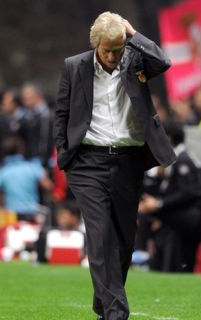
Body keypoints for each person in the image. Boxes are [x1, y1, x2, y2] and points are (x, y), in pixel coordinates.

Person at [54, 12, 176, 320]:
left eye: (117, 49)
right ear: (96, 44)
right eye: (107, 49)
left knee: (124, 238)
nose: (112, 56)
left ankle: (103, 304)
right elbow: (62, 113)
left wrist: (133, 35)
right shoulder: (75, 66)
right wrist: (65, 153)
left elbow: (163, 61)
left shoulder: (135, 59)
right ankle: (115, 312)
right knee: (100, 234)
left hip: (129, 160)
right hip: (87, 162)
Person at [138, 121, 201, 272]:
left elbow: (189, 192)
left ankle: (141, 252)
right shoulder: (176, 159)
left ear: (168, 138)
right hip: (182, 216)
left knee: (146, 211)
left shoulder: (183, 160)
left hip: (189, 217)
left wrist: (159, 203)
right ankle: (150, 257)